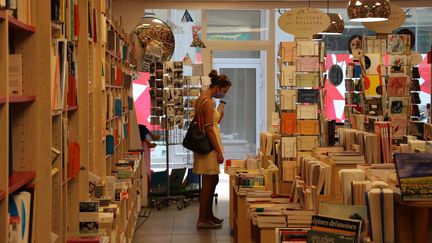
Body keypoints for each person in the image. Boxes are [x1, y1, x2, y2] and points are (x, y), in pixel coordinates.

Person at [193, 70, 232, 229]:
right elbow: (209, 129)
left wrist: (217, 117)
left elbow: (209, 122)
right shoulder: (208, 102)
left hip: (207, 145)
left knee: (212, 180)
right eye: (223, 91)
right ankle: (203, 218)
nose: (223, 94)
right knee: (209, 182)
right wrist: (219, 152)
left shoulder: (203, 99)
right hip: (208, 146)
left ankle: (208, 216)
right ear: (217, 87)